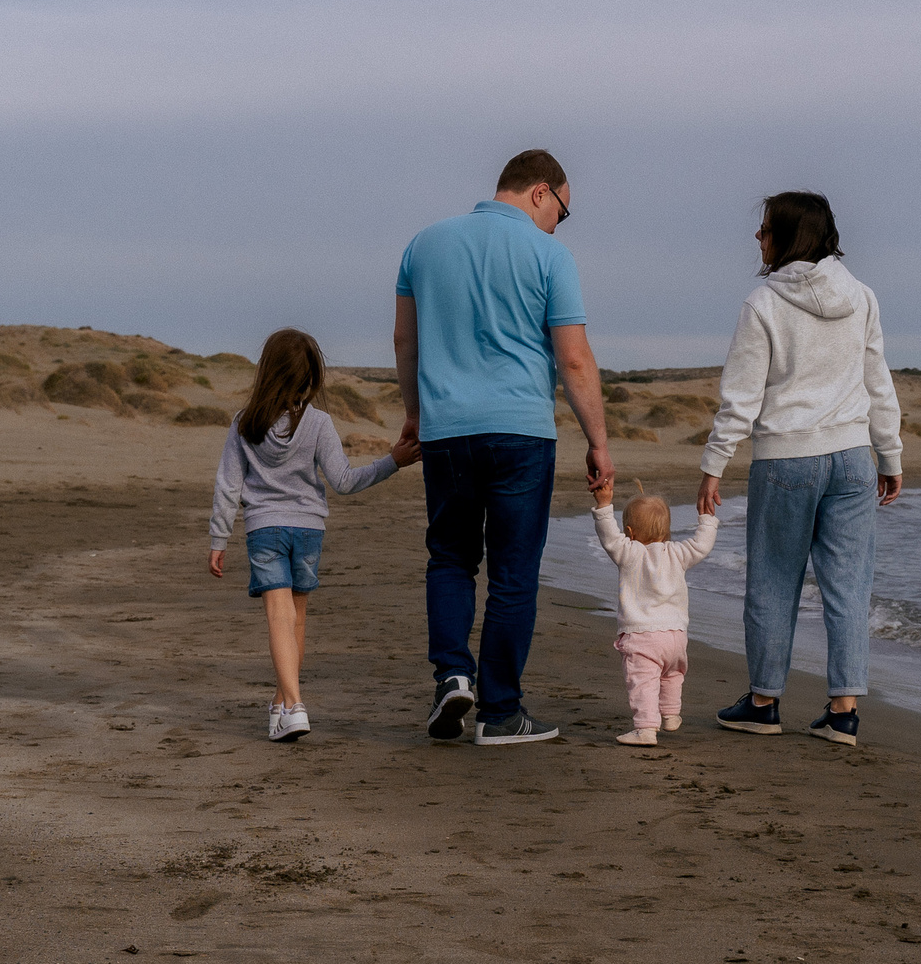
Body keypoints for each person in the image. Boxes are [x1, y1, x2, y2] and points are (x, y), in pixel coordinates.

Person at [395, 149, 613, 746]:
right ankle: (500, 712)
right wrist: (598, 441)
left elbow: (404, 341)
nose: (559, 224)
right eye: (562, 212)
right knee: (514, 573)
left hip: (446, 430)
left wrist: (415, 414)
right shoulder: (550, 255)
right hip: (520, 430)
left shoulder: (423, 244)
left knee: (450, 558)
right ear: (540, 193)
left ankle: (451, 675)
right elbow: (573, 357)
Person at [697, 192, 902, 748]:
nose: (758, 239)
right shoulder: (861, 297)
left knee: (772, 581)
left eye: (765, 230)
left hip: (786, 458)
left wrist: (714, 465)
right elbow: (877, 383)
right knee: (848, 587)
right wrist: (890, 454)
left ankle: (763, 703)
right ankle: (843, 711)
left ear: (789, 237)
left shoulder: (763, 304)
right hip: (854, 457)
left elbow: (740, 397)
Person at [208, 328, 412, 743]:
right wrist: (393, 460)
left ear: (267, 372)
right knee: (296, 618)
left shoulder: (245, 423)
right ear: (312, 378)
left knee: (278, 617)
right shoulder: (319, 423)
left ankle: (294, 705)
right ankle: (282, 705)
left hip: (265, 527)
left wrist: (218, 539)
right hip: (308, 529)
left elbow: (228, 485)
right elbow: (344, 481)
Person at [590, 480, 718, 746]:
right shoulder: (679, 553)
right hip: (676, 636)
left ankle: (646, 728)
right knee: (672, 675)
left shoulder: (629, 553)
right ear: (667, 530)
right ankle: (671, 715)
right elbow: (702, 545)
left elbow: (609, 537)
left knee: (643, 681)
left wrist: (603, 505)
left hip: (642, 635)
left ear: (629, 531)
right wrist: (706, 517)